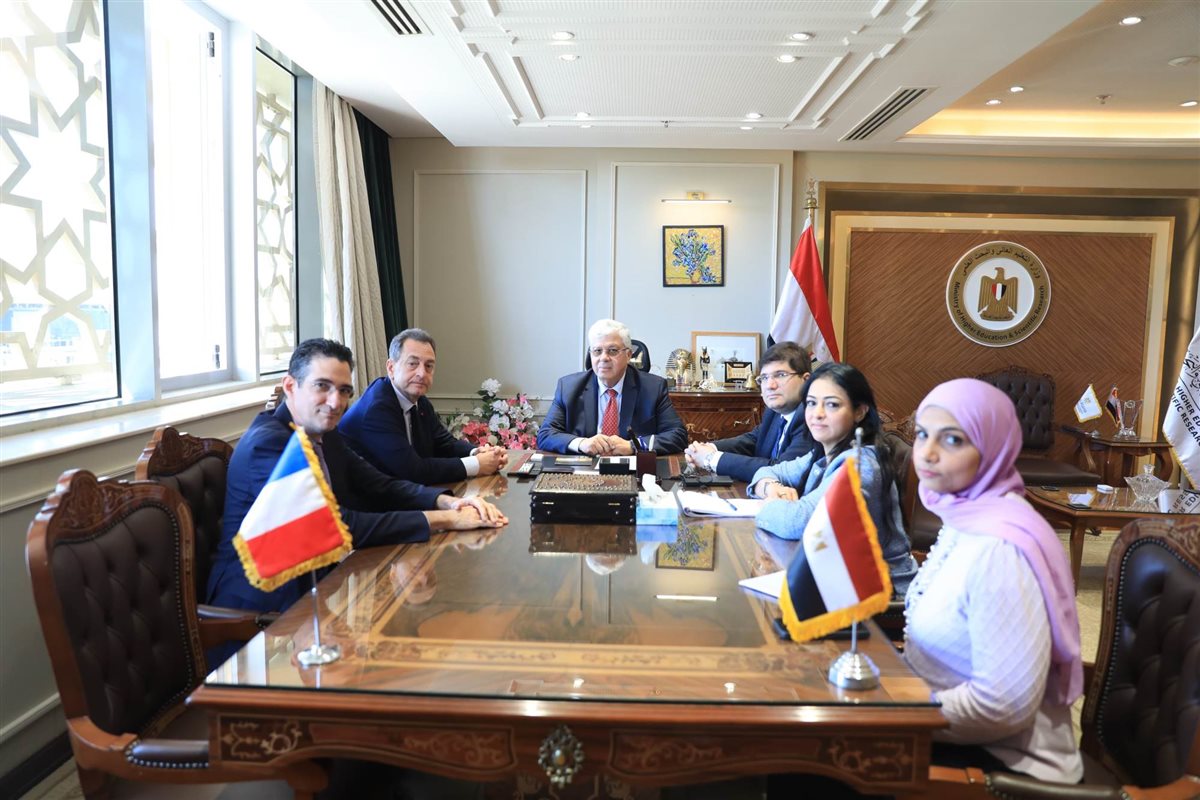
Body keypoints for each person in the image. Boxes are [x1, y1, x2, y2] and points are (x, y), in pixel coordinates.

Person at [207, 338, 507, 618]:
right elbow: (333, 523)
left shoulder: (323, 431)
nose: (335, 402)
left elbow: (378, 483)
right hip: (260, 606)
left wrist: (447, 502)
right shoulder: (268, 443)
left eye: (344, 391)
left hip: (321, 583)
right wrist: (446, 520)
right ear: (290, 386)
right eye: (322, 386)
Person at [904, 378, 1083, 782]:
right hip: (948, 732)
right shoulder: (966, 514)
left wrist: (891, 711)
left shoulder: (999, 549)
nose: (927, 453)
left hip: (1006, 768)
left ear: (992, 447)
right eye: (922, 434)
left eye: (953, 440)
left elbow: (1002, 706)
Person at [748, 362, 916, 595]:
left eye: (832, 404)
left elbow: (797, 521)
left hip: (882, 596)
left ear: (860, 411)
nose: (817, 414)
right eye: (811, 403)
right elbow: (770, 472)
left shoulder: (861, 464)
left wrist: (767, 505)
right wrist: (770, 487)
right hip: (840, 580)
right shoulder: (821, 455)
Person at [339, 328, 508, 484]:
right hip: (366, 500)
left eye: (428, 366)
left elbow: (444, 443)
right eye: (413, 363)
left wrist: (478, 453)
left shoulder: (419, 401)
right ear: (391, 368)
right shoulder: (376, 408)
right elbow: (412, 470)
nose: (421, 373)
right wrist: (477, 465)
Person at [537, 319, 687, 454]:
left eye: (613, 351)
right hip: (585, 468)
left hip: (633, 469)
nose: (604, 358)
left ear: (628, 355)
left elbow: (677, 435)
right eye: (597, 351)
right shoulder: (568, 387)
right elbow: (546, 434)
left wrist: (633, 446)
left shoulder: (653, 388)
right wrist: (581, 443)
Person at [684, 341, 812, 482]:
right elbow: (753, 440)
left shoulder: (812, 418)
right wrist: (707, 448)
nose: (770, 385)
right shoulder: (774, 411)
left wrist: (711, 458)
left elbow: (781, 471)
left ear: (806, 380)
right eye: (764, 378)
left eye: (781, 375)